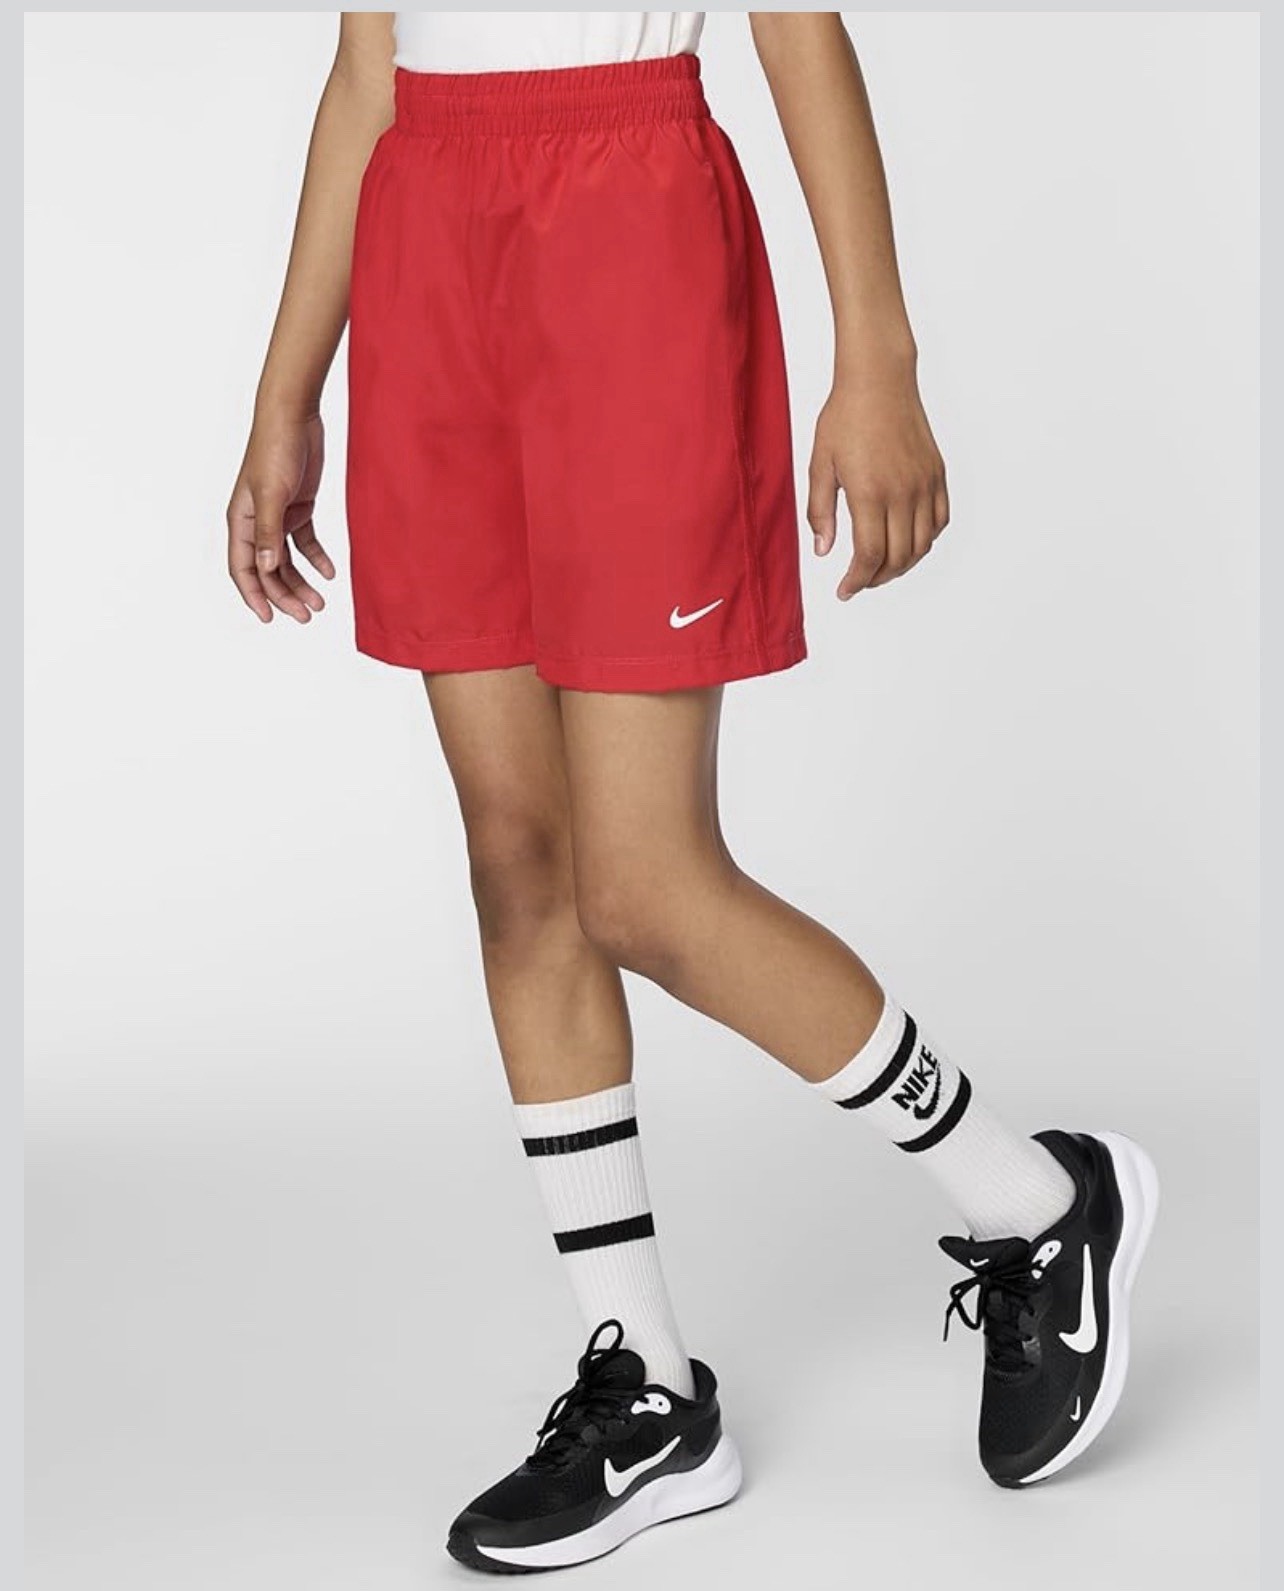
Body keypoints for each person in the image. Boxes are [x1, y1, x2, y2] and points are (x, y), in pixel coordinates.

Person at [226, 11, 1158, 1574]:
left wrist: (878, 360)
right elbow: (367, 66)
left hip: (628, 222)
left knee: (646, 887)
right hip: (427, 243)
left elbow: (799, 29)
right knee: (518, 866)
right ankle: (648, 1394)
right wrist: (284, 392)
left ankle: (1038, 1200)